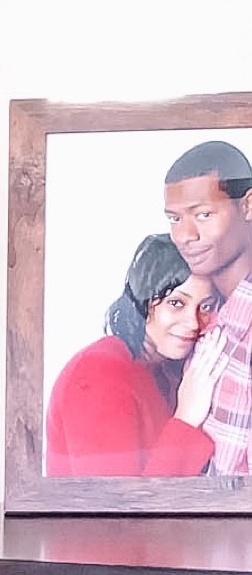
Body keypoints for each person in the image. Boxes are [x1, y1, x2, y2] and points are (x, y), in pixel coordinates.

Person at [46, 232, 217, 476]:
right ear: (141, 300)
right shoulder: (99, 373)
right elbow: (116, 508)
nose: (193, 322)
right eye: (176, 303)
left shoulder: (169, 368)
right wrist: (187, 418)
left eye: (206, 306)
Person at [163, 140, 252, 473]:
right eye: (174, 218)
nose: (185, 235)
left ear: (248, 206)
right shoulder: (208, 317)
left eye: (203, 214)